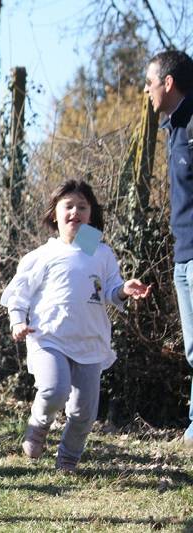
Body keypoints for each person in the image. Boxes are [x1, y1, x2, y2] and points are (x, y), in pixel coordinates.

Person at [1, 179, 151, 472]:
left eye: (82, 207)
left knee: (84, 412)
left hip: (90, 342)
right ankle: (39, 423)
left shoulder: (100, 252)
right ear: (54, 214)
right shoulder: (43, 254)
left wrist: (124, 289)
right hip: (49, 338)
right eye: (68, 206)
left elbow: (109, 289)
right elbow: (18, 294)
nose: (75, 212)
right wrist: (17, 322)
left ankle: (68, 458)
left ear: (91, 214)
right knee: (54, 390)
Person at [144, 50, 193, 447]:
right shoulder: (173, 128)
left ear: (169, 83)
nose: (147, 90)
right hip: (183, 255)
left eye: (150, 82)